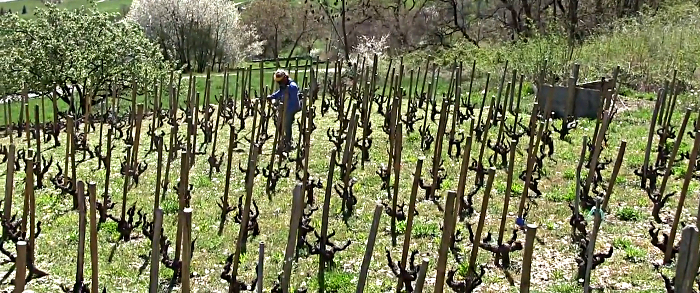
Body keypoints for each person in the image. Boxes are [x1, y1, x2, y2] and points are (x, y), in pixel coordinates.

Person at [267, 69, 301, 153]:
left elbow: (291, 101)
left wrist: (282, 108)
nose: (280, 84)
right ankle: (286, 139)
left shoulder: (292, 86)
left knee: (287, 124)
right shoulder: (284, 85)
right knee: (282, 124)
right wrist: (272, 96)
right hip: (285, 107)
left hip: (292, 107)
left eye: (281, 81)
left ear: (285, 78)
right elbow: (280, 92)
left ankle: (289, 142)